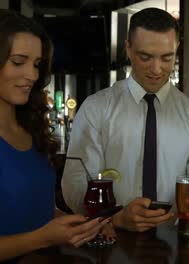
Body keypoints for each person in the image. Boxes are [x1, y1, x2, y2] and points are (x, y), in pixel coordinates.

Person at [62, 7, 189, 234]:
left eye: (167, 58)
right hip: (110, 237)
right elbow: (74, 182)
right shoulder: (96, 109)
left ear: (177, 49)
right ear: (128, 48)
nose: (156, 69)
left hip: (176, 242)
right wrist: (114, 218)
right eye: (145, 57)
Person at [0, 9, 109, 262]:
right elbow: (40, 233)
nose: (32, 75)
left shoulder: (31, 129)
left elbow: (38, 209)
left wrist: (82, 224)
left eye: (37, 64)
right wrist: (43, 238)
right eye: (18, 62)